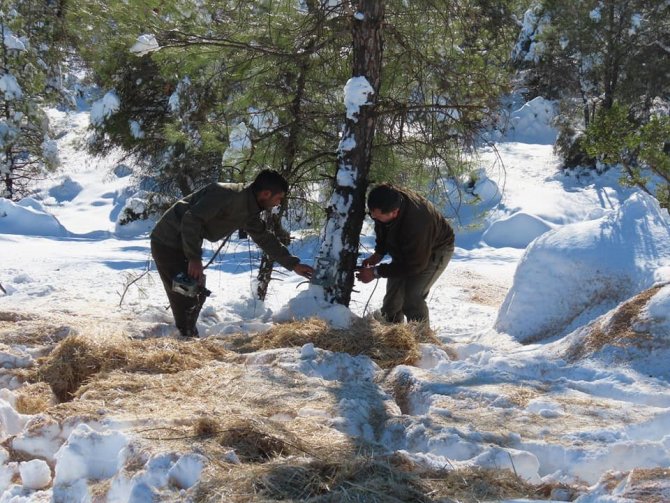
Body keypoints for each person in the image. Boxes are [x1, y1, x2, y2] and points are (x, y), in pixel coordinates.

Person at [150, 169, 313, 337]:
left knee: (194, 290)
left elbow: (264, 238)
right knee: (186, 294)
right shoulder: (227, 194)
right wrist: (194, 258)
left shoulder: (249, 208)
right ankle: (185, 339)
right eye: (278, 198)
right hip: (167, 240)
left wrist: (293, 264)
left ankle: (186, 335)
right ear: (265, 193)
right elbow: (191, 219)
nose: (278, 203)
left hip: (184, 244)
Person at [356, 183, 455, 326]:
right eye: (373, 215)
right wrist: (379, 253)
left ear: (395, 212)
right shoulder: (384, 201)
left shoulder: (418, 223)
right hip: (407, 245)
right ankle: (392, 330)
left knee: (412, 296)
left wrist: (375, 272)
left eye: (378, 216)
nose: (374, 219)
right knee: (392, 300)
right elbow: (383, 227)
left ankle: (422, 338)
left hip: (436, 248)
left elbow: (414, 265)